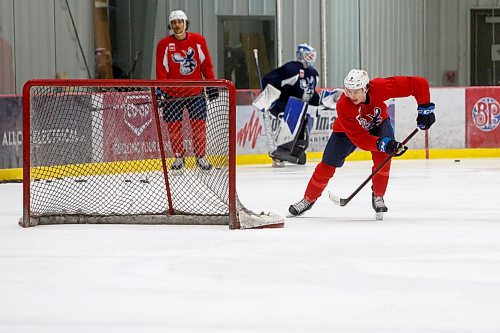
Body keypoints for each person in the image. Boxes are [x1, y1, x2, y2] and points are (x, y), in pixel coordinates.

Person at [288, 69, 436, 219]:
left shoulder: (380, 87)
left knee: (383, 161)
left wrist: (425, 110)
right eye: (349, 91)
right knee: (328, 163)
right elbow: (360, 138)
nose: (352, 96)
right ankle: (308, 199)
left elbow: (418, 83)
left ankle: (378, 196)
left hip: (378, 123)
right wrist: (384, 143)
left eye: (357, 91)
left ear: (366, 88)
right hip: (347, 131)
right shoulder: (344, 106)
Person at [155, 9, 217, 171]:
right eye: (174, 22)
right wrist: (160, 91)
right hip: (172, 95)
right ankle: (178, 157)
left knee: (198, 126)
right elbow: (162, 70)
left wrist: (210, 84)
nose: (177, 25)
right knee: (173, 128)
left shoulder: (198, 41)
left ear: (185, 23)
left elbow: (206, 65)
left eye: (180, 22)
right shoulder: (164, 44)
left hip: (195, 94)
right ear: (171, 25)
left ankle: (201, 156)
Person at [261, 43, 321, 167]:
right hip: (283, 105)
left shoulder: (314, 73)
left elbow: (311, 92)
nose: (311, 58)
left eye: (312, 56)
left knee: (306, 121)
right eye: (308, 55)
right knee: (296, 114)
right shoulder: (292, 68)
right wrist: (268, 97)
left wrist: (318, 102)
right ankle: (282, 149)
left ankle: (297, 148)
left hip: (302, 107)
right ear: (301, 55)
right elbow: (269, 79)